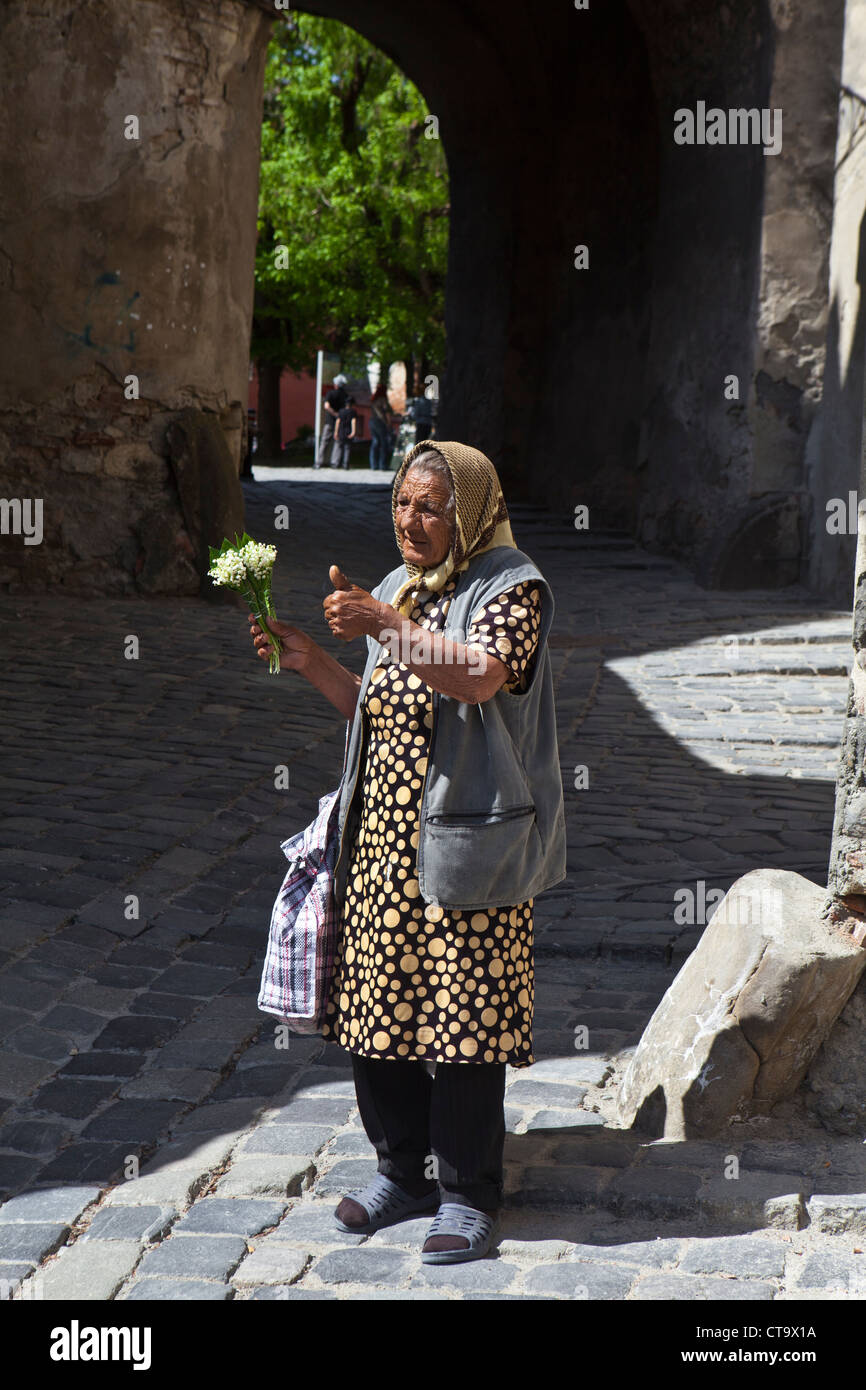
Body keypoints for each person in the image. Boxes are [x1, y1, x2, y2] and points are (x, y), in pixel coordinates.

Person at [247, 441, 566, 1264]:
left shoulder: (512, 586)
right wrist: (314, 660)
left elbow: (481, 677)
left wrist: (388, 624)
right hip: (383, 841)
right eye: (401, 505)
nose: (411, 522)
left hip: (467, 841)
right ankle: (404, 1172)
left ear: (468, 509)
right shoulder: (395, 588)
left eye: (431, 507)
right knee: (375, 1011)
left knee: (466, 1020)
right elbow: (377, 709)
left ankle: (466, 1195)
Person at [315, 373, 347, 469]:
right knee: (338, 442)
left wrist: (334, 414)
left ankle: (319, 462)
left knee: (324, 442)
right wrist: (339, 415)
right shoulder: (345, 395)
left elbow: (326, 406)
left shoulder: (330, 393)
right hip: (341, 422)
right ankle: (335, 463)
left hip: (330, 421)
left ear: (335, 384)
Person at [369, 384, 395, 471]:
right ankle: (383, 465)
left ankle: (373, 465)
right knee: (384, 444)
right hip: (380, 422)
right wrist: (389, 424)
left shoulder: (373, 400)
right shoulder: (383, 400)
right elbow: (387, 413)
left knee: (375, 443)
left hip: (372, 421)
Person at [331, 394, 357, 469]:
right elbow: (353, 421)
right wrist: (353, 432)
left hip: (340, 432)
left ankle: (336, 463)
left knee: (338, 447)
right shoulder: (353, 412)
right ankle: (345, 464)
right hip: (348, 431)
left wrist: (335, 432)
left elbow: (338, 422)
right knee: (347, 448)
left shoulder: (341, 411)